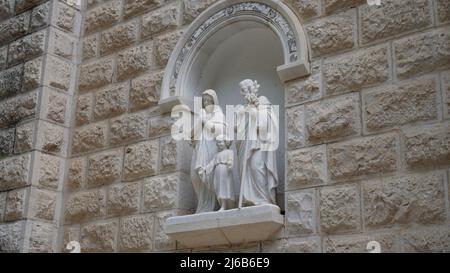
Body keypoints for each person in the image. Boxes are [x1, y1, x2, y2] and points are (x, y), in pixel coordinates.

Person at [235, 79, 279, 207]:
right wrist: (239, 117)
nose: (242, 93)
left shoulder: (262, 101)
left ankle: (263, 198)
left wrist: (255, 111)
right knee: (247, 168)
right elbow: (239, 129)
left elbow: (267, 122)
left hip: (260, 142)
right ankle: (250, 198)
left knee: (257, 167)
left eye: (243, 90)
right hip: (246, 144)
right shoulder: (243, 108)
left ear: (250, 89)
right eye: (241, 91)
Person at [190, 89, 226, 213]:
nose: (206, 103)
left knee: (208, 174)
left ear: (214, 101)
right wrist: (200, 120)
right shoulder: (201, 114)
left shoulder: (218, 114)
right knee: (195, 176)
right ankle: (202, 204)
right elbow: (192, 133)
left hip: (211, 148)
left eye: (208, 100)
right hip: (200, 147)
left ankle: (210, 206)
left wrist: (205, 122)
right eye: (204, 100)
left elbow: (221, 131)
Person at [200, 135, 235, 211]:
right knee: (219, 189)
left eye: (220, 142)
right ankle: (223, 205)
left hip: (225, 172)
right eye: (217, 143)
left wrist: (230, 164)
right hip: (218, 173)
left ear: (226, 142)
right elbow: (211, 164)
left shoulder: (229, 152)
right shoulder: (217, 155)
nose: (219, 144)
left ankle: (228, 205)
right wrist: (205, 169)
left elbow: (231, 160)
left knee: (226, 188)